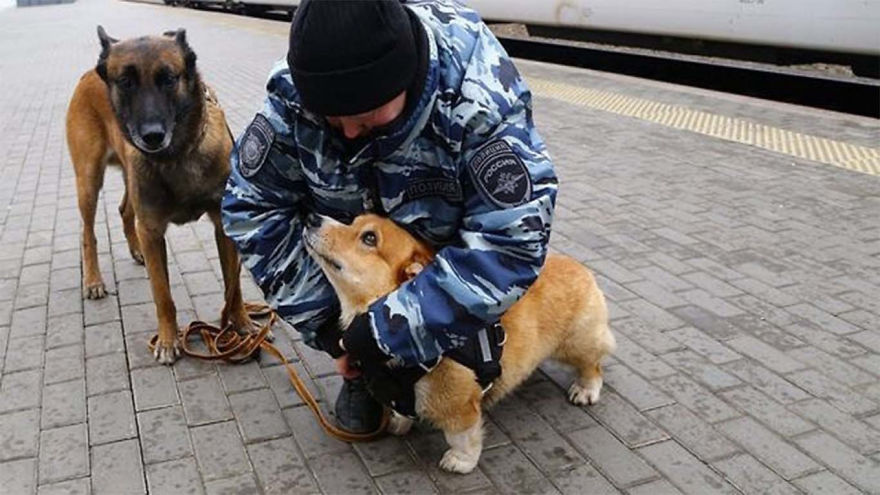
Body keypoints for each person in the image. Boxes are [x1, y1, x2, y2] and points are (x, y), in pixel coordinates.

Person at [222, 0, 557, 432]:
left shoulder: (479, 96)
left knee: (470, 317)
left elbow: (511, 240)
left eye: (362, 116)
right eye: (332, 117)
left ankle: (454, 342)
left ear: (404, 76)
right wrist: (332, 330)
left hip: (438, 252)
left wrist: (389, 329)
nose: (346, 131)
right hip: (353, 266)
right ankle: (366, 372)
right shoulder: (294, 95)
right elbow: (251, 207)